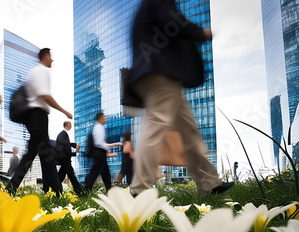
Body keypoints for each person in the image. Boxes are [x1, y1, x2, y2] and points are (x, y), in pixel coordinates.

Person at [127, 0, 233, 196]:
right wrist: (202, 33)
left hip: (157, 73)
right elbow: (171, 22)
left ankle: (210, 184)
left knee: (189, 131)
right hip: (160, 72)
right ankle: (140, 189)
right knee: (155, 124)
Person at [6, 48, 73, 196]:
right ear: (45, 56)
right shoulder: (41, 71)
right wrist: (64, 111)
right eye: (51, 56)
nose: (52, 60)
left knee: (34, 154)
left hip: (35, 117)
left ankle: (10, 189)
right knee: (46, 154)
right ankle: (57, 192)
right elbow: (45, 96)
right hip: (38, 116)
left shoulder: (35, 72)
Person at [83, 113, 122, 192]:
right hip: (99, 153)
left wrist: (113, 146)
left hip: (100, 153)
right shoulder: (98, 128)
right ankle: (85, 188)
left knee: (105, 173)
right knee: (95, 172)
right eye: (104, 117)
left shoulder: (99, 127)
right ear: (100, 118)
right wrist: (113, 145)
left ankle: (109, 190)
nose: (105, 119)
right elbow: (99, 143)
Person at [55, 121, 83, 194]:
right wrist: (75, 153)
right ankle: (79, 192)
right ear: (68, 125)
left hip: (64, 159)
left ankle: (54, 189)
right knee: (72, 176)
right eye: (70, 124)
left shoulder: (62, 135)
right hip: (65, 159)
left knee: (60, 176)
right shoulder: (64, 134)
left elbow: (67, 145)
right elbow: (66, 149)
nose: (71, 126)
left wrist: (75, 146)